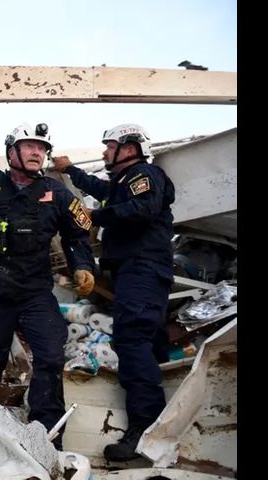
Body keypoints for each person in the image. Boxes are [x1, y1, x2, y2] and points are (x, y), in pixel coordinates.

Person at [0, 98, 95, 448]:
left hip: (34, 293)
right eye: (29, 146)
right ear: (11, 152)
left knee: (51, 355)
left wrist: (83, 265)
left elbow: (78, 235)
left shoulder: (57, 193)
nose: (37, 153)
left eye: (42, 148)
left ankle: (47, 438)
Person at [51, 123, 175, 461]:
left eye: (109, 146)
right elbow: (103, 189)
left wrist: (96, 216)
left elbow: (141, 209)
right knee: (148, 342)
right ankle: (164, 425)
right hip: (137, 270)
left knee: (132, 339)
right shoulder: (124, 183)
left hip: (142, 267)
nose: (104, 152)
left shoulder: (144, 174)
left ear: (130, 148)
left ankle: (145, 429)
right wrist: (70, 171)